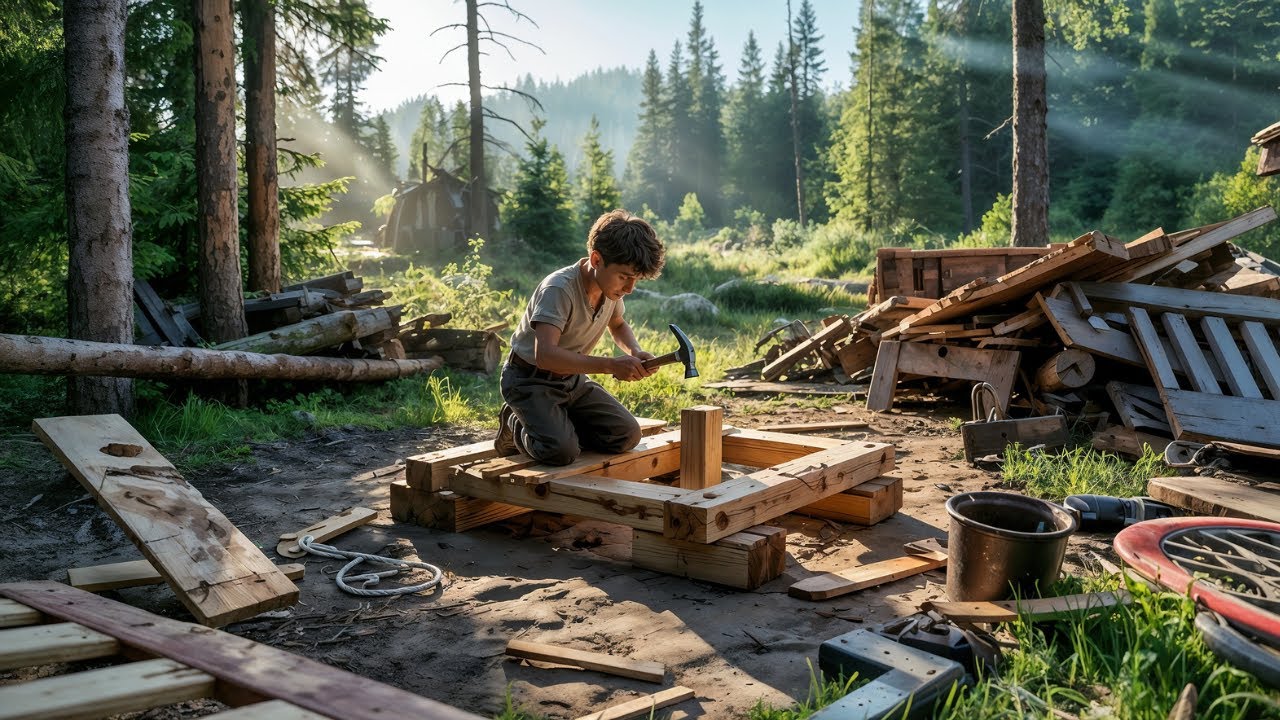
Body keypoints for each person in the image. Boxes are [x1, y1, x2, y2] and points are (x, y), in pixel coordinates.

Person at [495, 209, 666, 465]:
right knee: (560, 452)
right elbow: (546, 356)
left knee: (626, 435)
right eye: (625, 277)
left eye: (636, 280)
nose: (629, 289)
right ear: (597, 260)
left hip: (572, 380)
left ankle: (556, 423)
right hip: (529, 381)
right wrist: (610, 365)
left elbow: (618, 324)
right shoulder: (559, 289)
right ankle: (515, 423)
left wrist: (634, 350)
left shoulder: (610, 290)